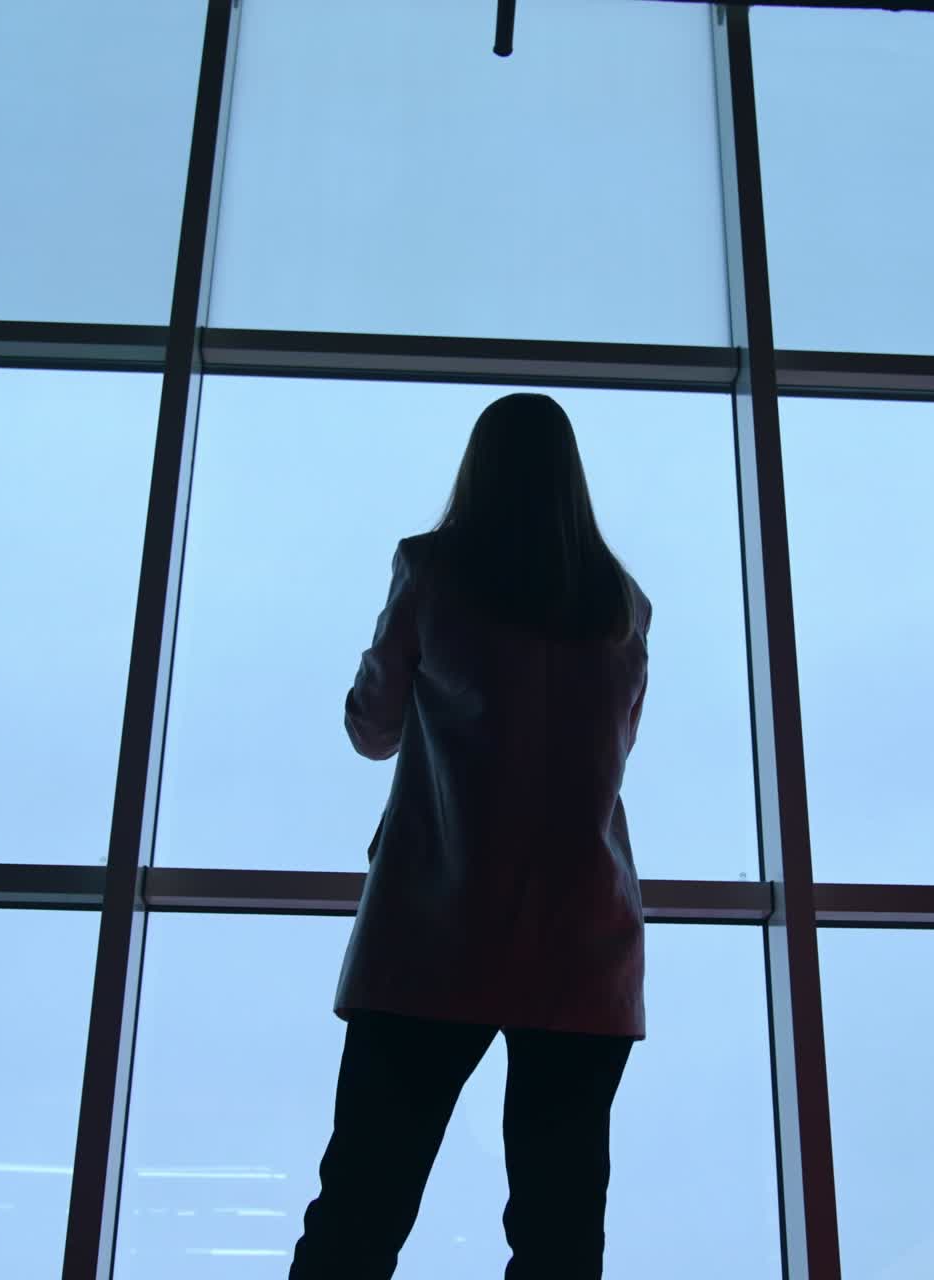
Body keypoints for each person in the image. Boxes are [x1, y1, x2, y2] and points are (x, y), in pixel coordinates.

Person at [288, 392, 652, 1280]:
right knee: (560, 1233)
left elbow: (371, 730)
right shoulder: (620, 606)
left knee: (362, 1209)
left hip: (433, 934)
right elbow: (613, 752)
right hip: (584, 945)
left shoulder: (431, 571)